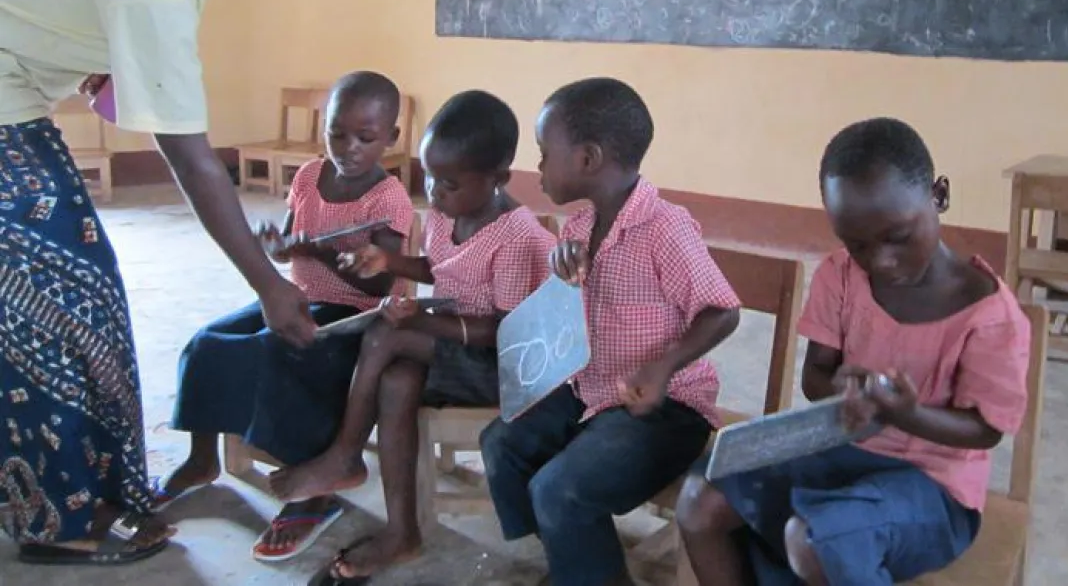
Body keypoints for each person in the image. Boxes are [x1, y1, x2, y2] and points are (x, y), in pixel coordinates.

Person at [0, 0, 352, 565]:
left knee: (62, 296)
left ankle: (65, 490)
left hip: (17, 85)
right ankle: (62, 518)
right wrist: (268, 284)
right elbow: (194, 159)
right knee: (64, 313)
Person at [675, 117, 1032, 586]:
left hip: (932, 490)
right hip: (838, 454)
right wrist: (840, 388)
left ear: (939, 196)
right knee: (699, 500)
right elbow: (815, 376)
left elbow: (985, 430)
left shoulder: (989, 316)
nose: (880, 260)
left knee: (816, 538)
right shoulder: (841, 276)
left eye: (898, 236)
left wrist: (906, 413)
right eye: (857, 244)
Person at [268, 90, 558, 582]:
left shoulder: (516, 236)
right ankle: (402, 532)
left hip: (510, 363)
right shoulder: (447, 213)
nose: (435, 193)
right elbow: (437, 268)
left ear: (497, 180)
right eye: (428, 176)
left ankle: (344, 454)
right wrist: (391, 262)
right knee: (397, 380)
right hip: (455, 341)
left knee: (386, 333)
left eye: (447, 183)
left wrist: (419, 321)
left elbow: (505, 331)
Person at [479, 77, 742, 586]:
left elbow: (722, 311)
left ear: (588, 158)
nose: (536, 167)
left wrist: (663, 368)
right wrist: (560, 273)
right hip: (590, 389)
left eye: (542, 152)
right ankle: (575, 559)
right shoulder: (577, 229)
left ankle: (585, 566)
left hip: (666, 409)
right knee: (501, 445)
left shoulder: (666, 228)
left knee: (559, 489)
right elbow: (562, 320)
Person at [153, 71, 413, 562]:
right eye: (337, 133)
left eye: (366, 137)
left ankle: (314, 493)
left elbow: (380, 283)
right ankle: (202, 458)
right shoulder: (309, 176)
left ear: (392, 139)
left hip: (356, 315)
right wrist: (278, 243)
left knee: (284, 355)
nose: (349, 147)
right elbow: (291, 243)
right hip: (298, 297)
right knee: (207, 342)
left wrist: (316, 247)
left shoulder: (388, 197)